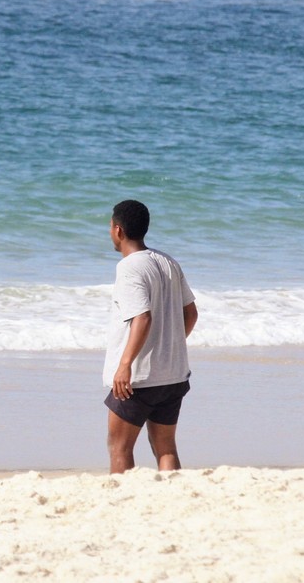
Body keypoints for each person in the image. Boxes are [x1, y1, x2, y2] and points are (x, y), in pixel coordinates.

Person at [104, 200, 199, 474]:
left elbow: (142, 317)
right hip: (173, 375)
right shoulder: (167, 261)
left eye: (110, 227)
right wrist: (169, 347)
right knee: (166, 448)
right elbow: (191, 314)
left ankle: (121, 503)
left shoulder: (129, 267)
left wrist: (124, 365)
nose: (110, 232)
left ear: (119, 230)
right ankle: (171, 500)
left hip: (139, 379)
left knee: (119, 447)